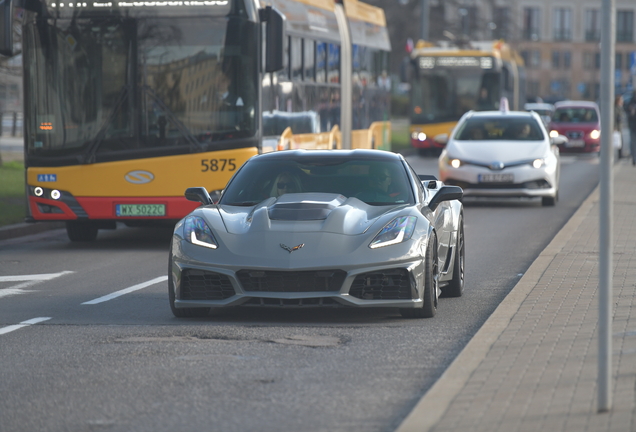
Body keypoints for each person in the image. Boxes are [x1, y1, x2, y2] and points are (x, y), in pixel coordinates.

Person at [624, 90, 636, 165]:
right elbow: (626, 111)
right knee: (633, 143)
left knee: (633, 142)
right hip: (633, 126)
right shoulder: (631, 103)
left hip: (632, 125)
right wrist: (631, 112)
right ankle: (634, 158)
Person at [615, 95, 624, 159]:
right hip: (617, 128)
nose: (622, 101)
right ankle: (619, 155)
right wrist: (615, 127)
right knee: (617, 142)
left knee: (620, 142)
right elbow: (615, 118)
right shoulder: (616, 108)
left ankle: (620, 155)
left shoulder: (620, 107)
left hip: (620, 127)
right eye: (621, 100)